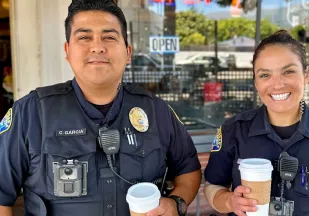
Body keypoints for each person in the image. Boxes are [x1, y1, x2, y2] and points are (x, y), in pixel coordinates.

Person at [0, 1, 201, 216]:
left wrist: (175, 203)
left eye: (109, 37)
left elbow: (189, 170)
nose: (97, 46)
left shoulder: (156, 110)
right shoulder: (30, 113)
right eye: (84, 37)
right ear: (67, 51)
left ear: (128, 52)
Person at [203, 30, 309, 216]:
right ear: (255, 82)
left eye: (288, 71)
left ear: (306, 75)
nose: (277, 84)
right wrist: (229, 202)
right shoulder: (233, 131)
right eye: (264, 75)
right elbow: (212, 186)